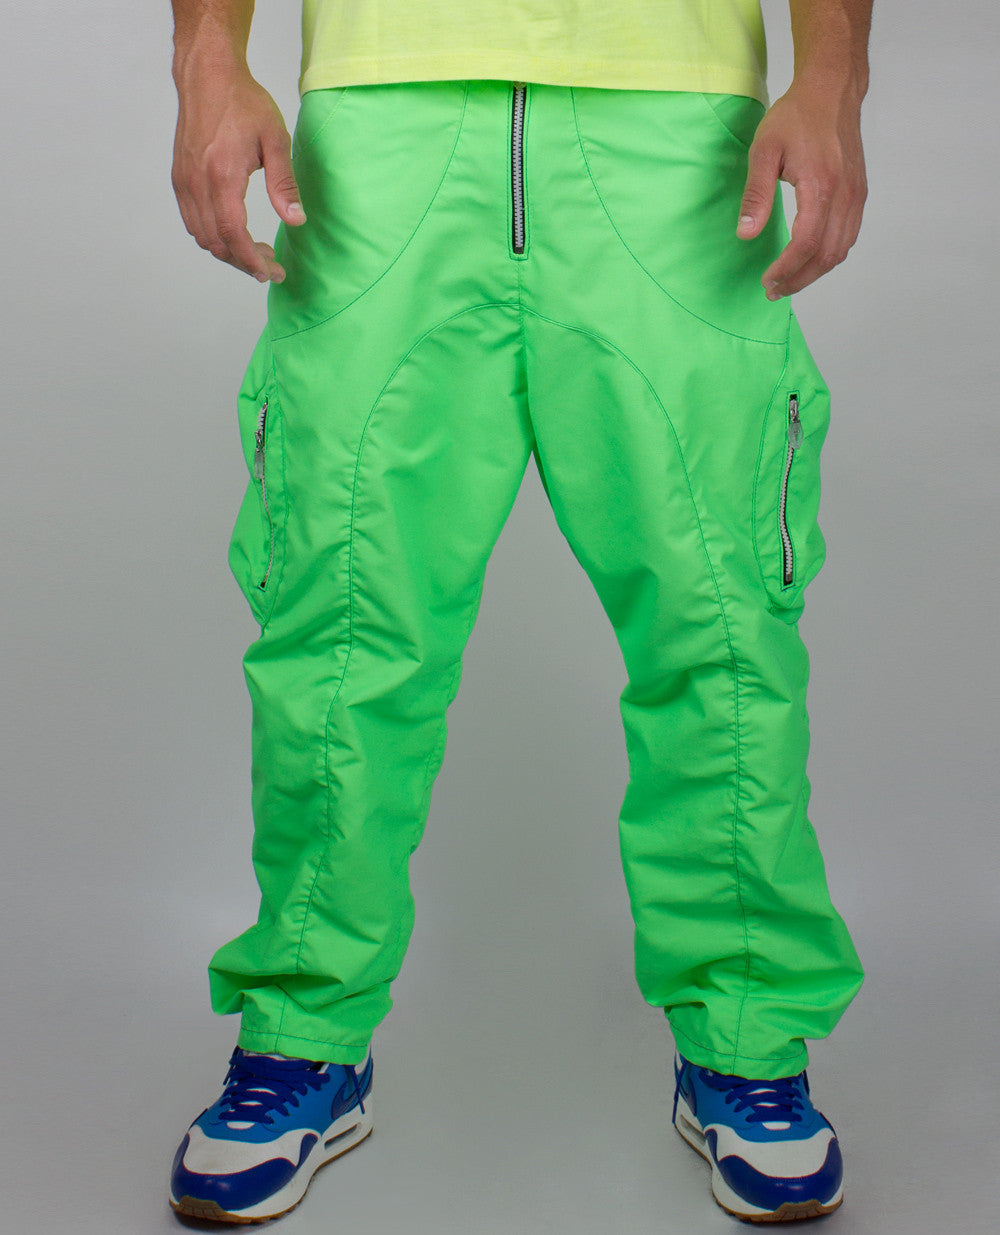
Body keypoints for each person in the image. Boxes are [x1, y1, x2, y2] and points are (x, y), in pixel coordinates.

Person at [167, 0, 872, 1224]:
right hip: (385, 115)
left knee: (716, 621)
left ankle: (747, 1034)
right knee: (340, 617)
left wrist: (832, 81)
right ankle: (302, 1028)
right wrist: (207, 62)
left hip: (677, 126)